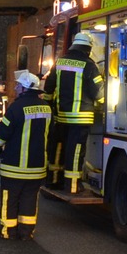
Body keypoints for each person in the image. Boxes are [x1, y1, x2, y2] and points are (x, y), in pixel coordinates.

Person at [0, 71, 52, 240]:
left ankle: (8, 231)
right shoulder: (46, 107)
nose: (15, 88)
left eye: (18, 85)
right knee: (30, 199)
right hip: (37, 167)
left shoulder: (16, 108)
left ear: (25, 89)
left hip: (14, 166)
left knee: (10, 199)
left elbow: (3, 134)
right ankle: (26, 232)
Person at [43, 32, 103, 194]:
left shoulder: (60, 62)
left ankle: (53, 180)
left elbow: (48, 87)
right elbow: (99, 93)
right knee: (75, 152)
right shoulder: (89, 65)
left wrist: (50, 106)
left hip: (61, 116)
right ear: (88, 49)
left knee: (58, 148)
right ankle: (73, 185)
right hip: (80, 118)